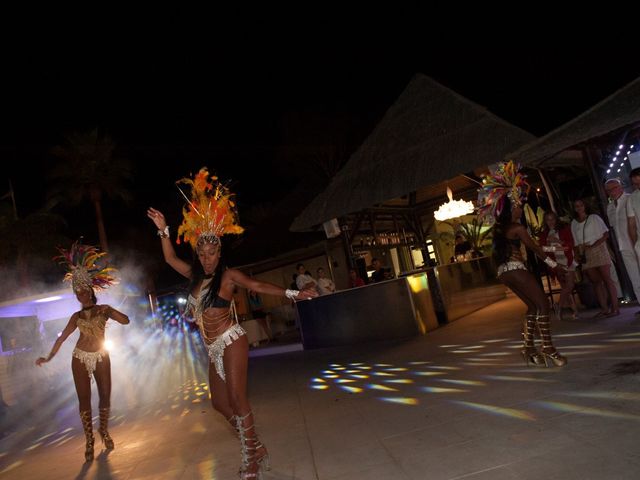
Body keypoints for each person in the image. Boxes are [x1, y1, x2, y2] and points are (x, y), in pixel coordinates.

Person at [147, 168, 317, 479]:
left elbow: (259, 287)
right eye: (202, 253)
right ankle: (254, 444)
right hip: (212, 349)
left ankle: (250, 458)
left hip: (231, 339)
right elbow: (170, 259)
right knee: (219, 405)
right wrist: (163, 229)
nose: (207, 258)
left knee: (239, 399)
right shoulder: (194, 277)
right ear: (197, 254)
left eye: (212, 253)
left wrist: (294, 293)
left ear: (219, 251)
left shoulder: (228, 276)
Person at [36, 241, 129, 462]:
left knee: (105, 396)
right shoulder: (75, 317)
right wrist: (48, 357)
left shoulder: (102, 310)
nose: (81, 294)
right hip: (79, 357)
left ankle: (103, 430)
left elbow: (126, 321)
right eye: (77, 292)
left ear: (90, 289)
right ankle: (89, 440)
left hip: (101, 356)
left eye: (83, 290)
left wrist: (112, 312)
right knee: (84, 399)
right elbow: (62, 338)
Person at [478, 161, 566, 368]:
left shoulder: (502, 229)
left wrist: (555, 250)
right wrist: (556, 265)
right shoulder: (517, 227)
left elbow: (536, 246)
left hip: (504, 272)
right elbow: (535, 249)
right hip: (516, 269)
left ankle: (528, 349)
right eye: (518, 204)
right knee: (543, 305)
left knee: (532, 307)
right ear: (511, 207)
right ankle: (548, 348)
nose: (521, 206)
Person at [571, 199, 619, 317]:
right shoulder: (574, 223)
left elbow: (606, 234)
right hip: (585, 252)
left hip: (599, 249)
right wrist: (577, 256)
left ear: (585, 206)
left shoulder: (594, 218)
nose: (579, 208)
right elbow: (576, 242)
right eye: (576, 206)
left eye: (581, 205)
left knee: (607, 279)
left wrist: (594, 245)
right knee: (596, 282)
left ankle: (615, 308)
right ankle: (604, 308)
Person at [604, 178, 640, 305]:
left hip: (636, 242)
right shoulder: (609, 207)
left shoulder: (630, 199)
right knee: (634, 276)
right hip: (623, 245)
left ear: (621, 187)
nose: (611, 192)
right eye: (608, 190)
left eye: (614, 188)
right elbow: (613, 229)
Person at [539, 211, 578, 320]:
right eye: (548, 219)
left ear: (556, 219)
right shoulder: (544, 234)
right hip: (555, 263)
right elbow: (542, 249)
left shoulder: (564, 229)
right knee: (566, 288)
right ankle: (574, 311)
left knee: (570, 285)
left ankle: (558, 306)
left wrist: (557, 241)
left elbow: (570, 245)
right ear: (545, 221)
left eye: (552, 219)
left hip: (567, 260)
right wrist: (558, 248)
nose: (550, 222)